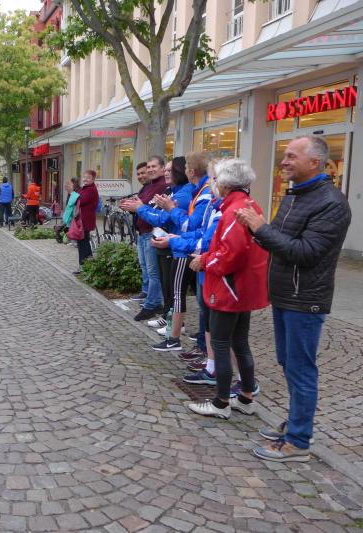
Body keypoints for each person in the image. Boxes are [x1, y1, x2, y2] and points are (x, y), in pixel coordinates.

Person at [235, 136, 352, 462]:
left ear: (315, 163)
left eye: (291, 156)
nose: (283, 161)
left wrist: (260, 228)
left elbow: (305, 252)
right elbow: (277, 240)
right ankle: (295, 425)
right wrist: (252, 229)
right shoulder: (294, 195)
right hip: (285, 294)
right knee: (289, 364)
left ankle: (298, 441)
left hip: (305, 299)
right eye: (284, 155)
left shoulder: (331, 203)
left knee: (301, 369)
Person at [186, 158, 268, 421]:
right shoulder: (248, 204)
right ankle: (245, 397)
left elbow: (230, 254)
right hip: (241, 287)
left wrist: (204, 260)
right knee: (240, 342)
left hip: (229, 288)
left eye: (215, 179)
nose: (213, 184)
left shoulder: (233, 210)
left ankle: (221, 402)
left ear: (225, 183)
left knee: (221, 343)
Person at [145, 157, 196, 352]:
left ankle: (174, 336)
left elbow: (167, 219)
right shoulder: (176, 191)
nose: (166, 173)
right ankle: (174, 329)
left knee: (177, 292)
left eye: (169, 170)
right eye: (165, 170)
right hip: (176, 245)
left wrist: (140, 208)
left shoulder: (185, 194)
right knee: (173, 290)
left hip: (181, 248)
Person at [121, 156, 167, 321]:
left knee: (153, 272)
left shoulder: (162, 185)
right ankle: (154, 300)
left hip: (151, 232)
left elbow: (147, 207)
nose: (150, 169)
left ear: (162, 168)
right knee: (148, 269)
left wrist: (137, 206)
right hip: (143, 232)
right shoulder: (150, 186)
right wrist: (132, 206)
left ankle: (152, 305)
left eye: (154, 166)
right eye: (149, 167)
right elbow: (140, 205)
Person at [128, 162, 148, 302]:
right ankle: (145, 291)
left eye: (143, 173)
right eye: (138, 174)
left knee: (150, 268)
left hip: (148, 232)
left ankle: (149, 295)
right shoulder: (144, 189)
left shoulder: (152, 188)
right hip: (141, 231)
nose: (140, 176)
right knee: (144, 265)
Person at [73, 170, 98, 274]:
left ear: (93, 179)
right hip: (83, 219)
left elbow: (80, 200)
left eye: (88, 177)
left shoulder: (91, 189)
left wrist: (74, 195)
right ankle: (88, 265)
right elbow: (77, 198)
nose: (85, 179)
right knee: (84, 242)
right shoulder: (86, 188)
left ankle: (83, 266)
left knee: (83, 243)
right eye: (84, 177)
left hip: (85, 220)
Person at [59, 177, 81, 242]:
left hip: (74, 211)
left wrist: (65, 216)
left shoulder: (73, 192)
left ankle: (73, 239)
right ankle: (73, 238)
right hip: (76, 211)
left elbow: (69, 204)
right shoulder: (79, 190)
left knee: (72, 225)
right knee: (75, 225)